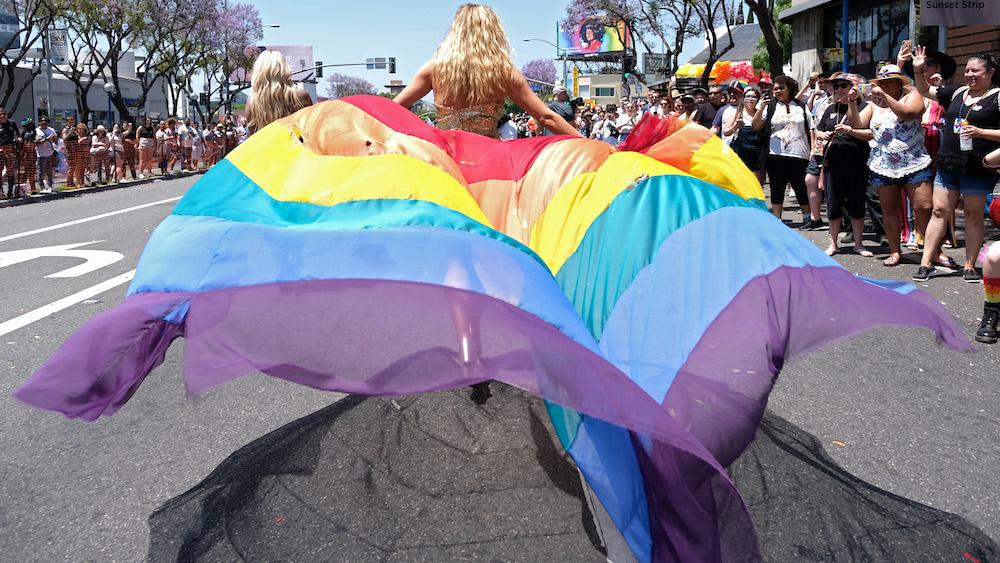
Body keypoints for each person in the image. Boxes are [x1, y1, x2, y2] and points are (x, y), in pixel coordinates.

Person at [393, 4, 579, 139]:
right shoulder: (503, 72)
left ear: (455, 31)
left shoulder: (434, 68)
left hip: (444, 160)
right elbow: (546, 117)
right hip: (490, 163)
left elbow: (392, 109)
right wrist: (589, 145)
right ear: (493, 32)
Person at [912, 49, 1000, 282]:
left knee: (973, 215)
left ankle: (969, 265)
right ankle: (926, 263)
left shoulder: (997, 96)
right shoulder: (958, 91)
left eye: (976, 71)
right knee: (939, 211)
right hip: (949, 162)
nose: (970, 74)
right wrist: (918, 69)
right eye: (968, 70)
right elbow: (924, 90)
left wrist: (981, 132)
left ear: (990, 73)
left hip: (977, 167)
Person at [852, 64, 933, 266]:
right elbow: (857, 124)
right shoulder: (873, 104)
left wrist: (885, 97)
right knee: (889, 210)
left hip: (914, 161)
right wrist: (852, 103)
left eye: (889, 82)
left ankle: (934, 251)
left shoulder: (912, 95)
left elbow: (906, 113)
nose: (884, 86)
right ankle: (895, 251)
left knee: (924, 206)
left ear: (899, 83)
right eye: (881, 83)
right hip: (883, 164)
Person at [820, 73, 873, 257]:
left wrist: (850, 130)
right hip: (833, 162)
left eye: (844, 85)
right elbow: (819, 131)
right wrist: (823, 135)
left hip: (857, 162)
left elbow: (869, 133)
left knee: (857, 204)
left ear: (854, 87)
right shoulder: (830, 108)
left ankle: (859, 244)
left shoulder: (865, 106)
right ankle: (833, 244)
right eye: (836, 86)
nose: (840, 89)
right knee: (833, 204)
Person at [752, 75, 812, 222]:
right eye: (775, 88)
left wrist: (812, 151)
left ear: (789, 88)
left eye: (781, 88)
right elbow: (756, 126)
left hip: (799, 154)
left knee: (800, 187)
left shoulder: (801, 106)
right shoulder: (770, 106)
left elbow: (811, 128)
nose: (777, 91)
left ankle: (807, 218)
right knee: (776, 187)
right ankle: (777, 219)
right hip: (775, 155)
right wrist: (761, 108)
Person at [725, 86, 765, 184]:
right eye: (748, 96)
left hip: (756, 154)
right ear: (743, 98)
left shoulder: (761, 114)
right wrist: (735, 126)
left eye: (754, 97)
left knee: (756, 183)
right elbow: (726, 132)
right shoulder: (737, 113)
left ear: (758, 100)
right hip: (740, 152)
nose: (750, 99)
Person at [0, 107, 19, 198]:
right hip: (0, 149)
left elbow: (18, 134)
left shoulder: (12, 123)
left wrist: (19, 138)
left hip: (10, 149)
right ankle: (1, 192)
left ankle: (10, 192)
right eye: (0, 114)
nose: (2, 116)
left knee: (11, 171)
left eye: (4, 114)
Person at [35, 116, 56, 192]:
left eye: (46, 121)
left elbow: (55, 141)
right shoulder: (37, 131)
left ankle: (50, 185)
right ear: (39, 122)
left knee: (50, 170)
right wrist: (47, 139)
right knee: (41, 171)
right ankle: (42, 187)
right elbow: (36, 142)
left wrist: (53, 138)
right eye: (42, 121)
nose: (44, 122)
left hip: (50, 153)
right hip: (41, 154)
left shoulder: (51, 130)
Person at [18, 118, 38, 194]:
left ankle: (33, 189)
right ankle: (22, 189)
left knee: (32, 172)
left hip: (32, 153)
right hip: (25, 154)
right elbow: (21, 142)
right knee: (25, 172)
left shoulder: (34, 131)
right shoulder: (23, 132)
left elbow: (35, 139)